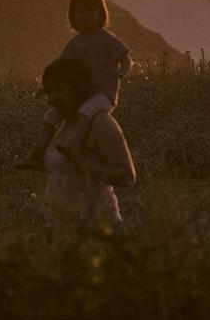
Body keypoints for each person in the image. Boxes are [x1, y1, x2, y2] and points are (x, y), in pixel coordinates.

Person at [23, 0, 131, 167]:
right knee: (50, 116)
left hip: (103, 95)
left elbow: (126, 60)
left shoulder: (106, 39)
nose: (85, 15)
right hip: (82, 94)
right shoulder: (75, 44)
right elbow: (59, 68)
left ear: (100, 12)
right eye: (80, 11)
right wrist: (47, 88)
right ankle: (37, 154)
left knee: (86, 111)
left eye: (90, 10)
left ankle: (74, 144)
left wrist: (122, 73)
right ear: (72, 16)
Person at [28, 55, 136, 224]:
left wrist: (83, 165)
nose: (51, 98)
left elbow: (127, 177)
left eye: (59, 90)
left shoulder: (101, 122)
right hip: (59, 229)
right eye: (48, 92)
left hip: (97, 226)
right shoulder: (64, 124)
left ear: (78, 88)